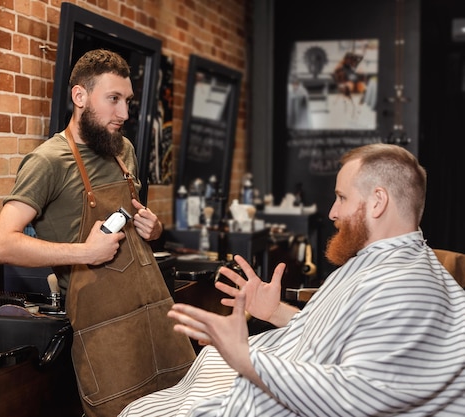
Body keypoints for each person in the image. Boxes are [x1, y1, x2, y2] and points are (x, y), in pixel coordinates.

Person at [119, 143, 465, 416]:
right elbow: (347, 339)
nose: (332, 212)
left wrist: (244, 356)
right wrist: (276, 313)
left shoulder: (409, 289)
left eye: (342, 197)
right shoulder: (380, 264)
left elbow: (353, 396)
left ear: (377, 202)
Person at [0, 49, 194, 417]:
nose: (125, 114)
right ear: (80, 96)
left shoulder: (123, 151)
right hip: (106, 334)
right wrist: (85, 253)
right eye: (113, 99)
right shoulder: (48, 161)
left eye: (127, 101)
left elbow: (130, 226)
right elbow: (1, 244)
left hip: (158, 318)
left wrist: (154, 227)